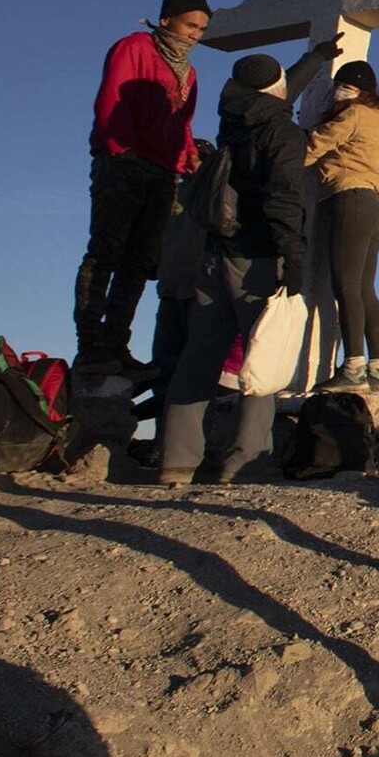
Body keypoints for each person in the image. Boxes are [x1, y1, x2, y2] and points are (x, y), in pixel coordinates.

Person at [159, 39, 341, 485]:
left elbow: (277, 92)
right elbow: (282, 196)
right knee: (264, 356)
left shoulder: (233, 115)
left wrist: (315, 58)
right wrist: (293, 254)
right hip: (256, 256)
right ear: (276, 90)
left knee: (199, 357)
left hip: (211, 254)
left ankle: (176, 463)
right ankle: (247, 460)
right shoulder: (281, 133)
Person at [74, 0, 212, 377]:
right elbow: (111, 100)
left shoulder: (189, 71)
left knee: (139, 262)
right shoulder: (134, 47)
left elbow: (181, 122)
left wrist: (188, 158)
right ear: (167, 20)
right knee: (104, 254)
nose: (194, 35)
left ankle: (116, 343)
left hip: (163, 171)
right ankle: (90, 345)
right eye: (190, 25)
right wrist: (121, 149)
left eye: (201, 29)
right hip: (123, 163)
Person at [305, 61, 379, 394]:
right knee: (364, 289)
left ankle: (353, 368)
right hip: (374, 206)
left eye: (341, 86)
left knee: (345, 287)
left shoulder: (353, 114)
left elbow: (313, 147)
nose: (337, 91)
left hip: (349, 199)